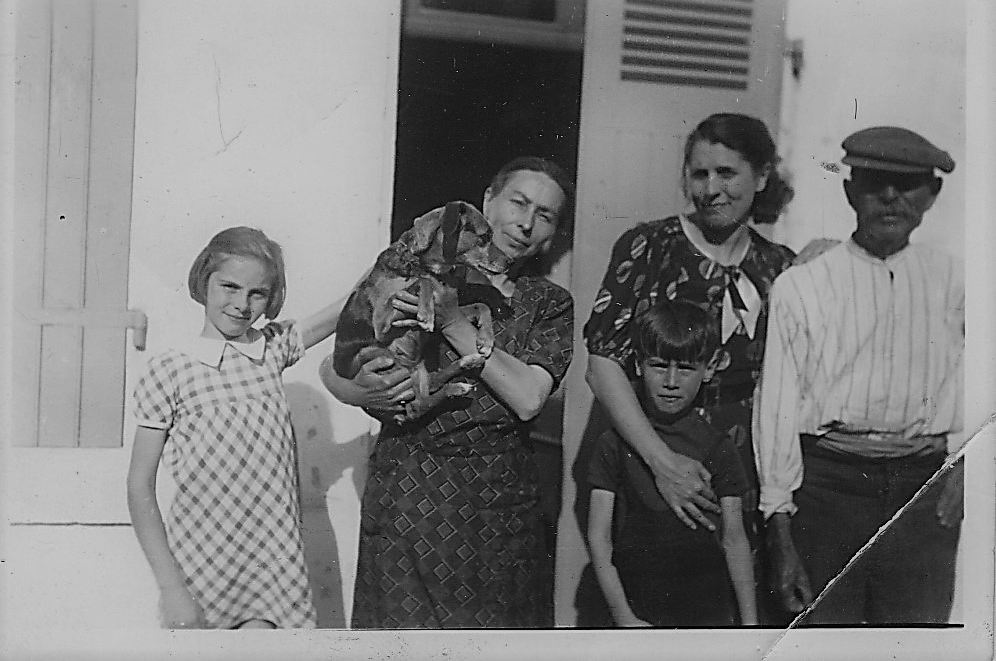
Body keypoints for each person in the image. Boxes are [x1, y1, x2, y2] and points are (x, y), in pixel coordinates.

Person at [325, 156, 575, 629]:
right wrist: (357, 392)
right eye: (518, 202)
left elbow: (528, 399)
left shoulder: (549, 303)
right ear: (488, 202)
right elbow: (340, 350)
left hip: (495, 511)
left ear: (553, 233)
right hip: (407, 497)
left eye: (544, 215)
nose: (526, 223)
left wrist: (454, 322)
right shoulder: (422, 270)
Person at [126, 226, 410, 630]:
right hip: (200, 568)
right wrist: (171, 589)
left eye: (257, 293)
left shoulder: (270, 350)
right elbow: (139, 487)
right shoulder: (170, 368)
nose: (241, 304)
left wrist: (395, 262)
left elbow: (345, 307)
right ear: (204, 281)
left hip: (273, 567)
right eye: (229, 286)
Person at [584, 114, 796, 620]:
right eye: (699, 174)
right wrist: (661, 462)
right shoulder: (648, 247)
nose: (711, 189)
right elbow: (602, 364)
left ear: (762, 176)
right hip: (653, 459)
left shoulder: (779, 266)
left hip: (741, 471)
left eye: (727, 173)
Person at [754, 126, 965, 625]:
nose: (890, 197)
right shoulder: (802, 285)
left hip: (923, 491)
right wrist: (779, 526)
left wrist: (969, 471)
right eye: (874, 182)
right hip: (829, 489)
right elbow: (777, 406)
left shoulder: (960, 284)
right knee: (823, 640)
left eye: (907, 183)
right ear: (850, 190)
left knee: (914, 642)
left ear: (932, 194)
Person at [587, 300, 758, 628]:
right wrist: (625, 618)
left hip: (706, 613)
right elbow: (599, 536)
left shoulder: (719, 447)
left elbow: (735, 540)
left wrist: (751, 628)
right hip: (636, 610)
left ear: (709, 369)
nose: (670, 381)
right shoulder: (614, 444)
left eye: (686, 369)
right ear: (638, 365)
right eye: (658, 365)